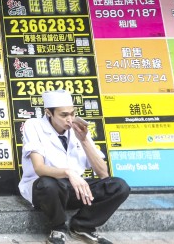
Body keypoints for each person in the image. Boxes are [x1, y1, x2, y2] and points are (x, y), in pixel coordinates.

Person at [19, 89, 130, 244]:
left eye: (72, 113)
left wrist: (84, 140)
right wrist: (68, 172)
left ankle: (82, 226)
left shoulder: (78, 128)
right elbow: (39, 168)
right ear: (49, 113)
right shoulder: (34, 125)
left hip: (76, 189)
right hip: (49, 192)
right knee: (46, 184)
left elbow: (103, 173)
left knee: (119, 186)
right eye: (63, 115)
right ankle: (58, 228)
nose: (69, 119)